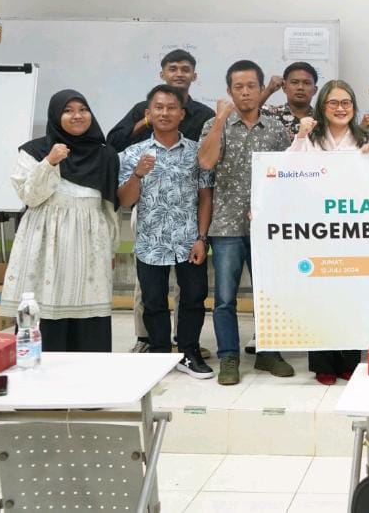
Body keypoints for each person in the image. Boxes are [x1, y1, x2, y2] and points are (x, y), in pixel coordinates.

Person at [108, 49, 215, 355]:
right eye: (159, 108)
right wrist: (138, 174)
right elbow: (125, 198)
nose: (165, 113)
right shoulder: (134, 152)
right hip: (149, 230)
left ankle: (188, 349)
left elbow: (205, 194)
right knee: (152, 297)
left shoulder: (198, 144)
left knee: (193, 295)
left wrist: (202, 237)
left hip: (189, 231)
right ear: (149, 112)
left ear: (183, 114)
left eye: (172, 108)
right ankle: (154, 347)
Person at [0, 89, 120, 352]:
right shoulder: (34, 150)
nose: (77, 116)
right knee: (43, 303)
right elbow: (30, 197)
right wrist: (50, 162)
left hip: (89, 244)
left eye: (83, 109)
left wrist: (112, 247)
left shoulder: (106, 154)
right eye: (68, 111)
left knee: (89, 308)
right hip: (45, 242)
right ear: (55, 116)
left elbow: (109, 207)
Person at [199, 60, 294, 385]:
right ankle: (229, 357)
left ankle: (269, 352)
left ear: (261, 88)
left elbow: (288, 176)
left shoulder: (276, 128)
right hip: (226, 226)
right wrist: (220, 119)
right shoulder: (216, 124)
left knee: (268, 294)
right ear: (229, 91)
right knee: (225, 298)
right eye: (238, 87)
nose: (245, 92)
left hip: (266, 228)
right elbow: (206, 162)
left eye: (251, 86)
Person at [288, 80, 369, 384]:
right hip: (317, 229)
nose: (341, 108)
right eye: (334, 103)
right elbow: (286, 170)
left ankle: (349, 360)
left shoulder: (365, 137)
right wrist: (300, 135)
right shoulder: (311, 138)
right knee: (320, 297)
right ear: (322, 106)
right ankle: (323, 363)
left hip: (354, 230)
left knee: (352, 296)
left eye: (346, 103)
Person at [106, 49, 215, 152]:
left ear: (194, 76)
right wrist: (146, 121)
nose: (179, 74)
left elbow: (213, 152)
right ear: (162, 75)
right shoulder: (143, 108)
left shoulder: (205, 115)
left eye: (185, 70)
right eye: (173, 69)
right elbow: (112, 144)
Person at [259, 61, 319, 137]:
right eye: (294, 82)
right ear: (284, 87)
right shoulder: (270, 113)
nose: (300, 87)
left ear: (314, 90)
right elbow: (248, 112)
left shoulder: (321, 118)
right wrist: (269, 90)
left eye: (306, 83)